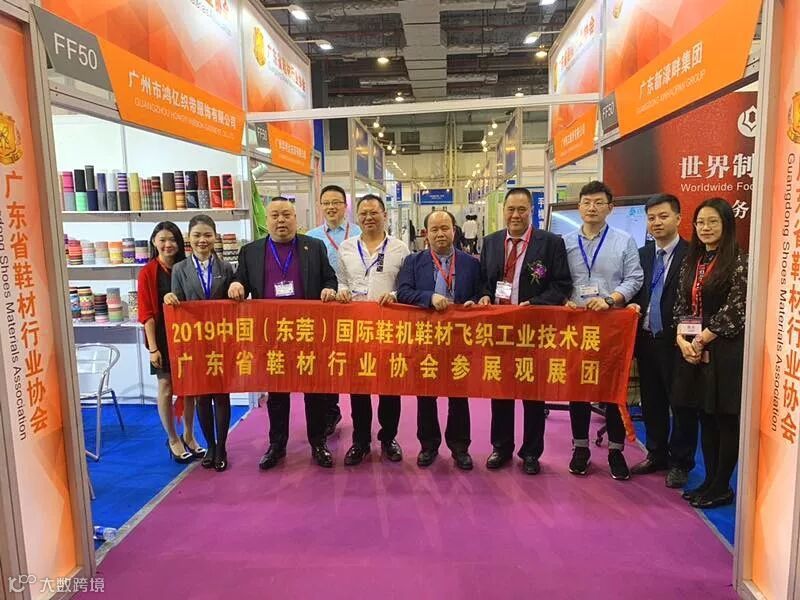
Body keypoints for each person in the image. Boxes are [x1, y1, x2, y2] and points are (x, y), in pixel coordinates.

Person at [228, 197, 338, 469]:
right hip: (271, 335)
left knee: (315, 392)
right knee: (277, 395)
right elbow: (241, 279)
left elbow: (329, 277)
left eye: (286, 215)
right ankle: (277, 445)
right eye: (275, 215)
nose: (281, 220)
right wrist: (236, 285)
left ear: (295, 219)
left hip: (307, 332)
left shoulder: (314, 247)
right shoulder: (251, 251)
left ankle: (318, 443)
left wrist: (329, 288)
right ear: (266, 220)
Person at [480, 188, 572, 474]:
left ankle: (531, 452)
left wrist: (535, 304)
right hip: (499, 330)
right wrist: (484, 296)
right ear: (504, 211)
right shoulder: (491, 242)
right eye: (511, 209)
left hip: (534, 330)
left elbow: (561, 285)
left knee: (533, 393)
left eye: (522, 209)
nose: (516, 215)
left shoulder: (551, 243)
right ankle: (501, 447)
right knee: (501, 392)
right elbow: (485, 282)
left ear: (531, 211)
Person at [563, 181, 644, 480]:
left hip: (611, 326)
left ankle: (615, 451)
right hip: (575, 326)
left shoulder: (624, 241)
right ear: (579, 207)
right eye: (586, 202)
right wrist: (563, 299)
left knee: (612, 389)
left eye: (598, 202)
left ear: (610, 207)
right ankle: (580, 448)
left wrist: (611, 299)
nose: (592, 208)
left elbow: (634, 278)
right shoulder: (565, 242)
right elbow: (559, 279)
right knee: (578, 389)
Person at [671, 198, 747, 508]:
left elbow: (736, 309)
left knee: (725, 419)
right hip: (694, 351)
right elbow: (681, 304)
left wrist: (702, 338)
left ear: (726, 224)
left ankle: (721, 485)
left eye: (713, 221)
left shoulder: (740, 261)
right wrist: (682, 339)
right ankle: (709, 481)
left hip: (725, 350)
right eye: (700, 222)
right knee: (705, 416)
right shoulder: (693, 261)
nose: (705, 228)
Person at [397, 210, 484, 470]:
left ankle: (460, 448)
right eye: (434, 229)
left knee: (459, 396)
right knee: (426, 395)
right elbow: (403, 292)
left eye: (445, 228)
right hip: (425, 338)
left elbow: (481, 292)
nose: (440, 234)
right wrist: (429, 298)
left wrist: (477, 301)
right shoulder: (413, 261)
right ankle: (428, 446)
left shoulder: (471, 263)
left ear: (454, 231)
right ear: (426, 234)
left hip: (459, 339)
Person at [627, 195, 697, 488]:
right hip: (646, 338)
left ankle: (680, 462)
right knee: (652, 399)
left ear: (678, 218)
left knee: (681, 403)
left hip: (677, 341)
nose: (656, 222)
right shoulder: (641, 255)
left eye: (663, 216)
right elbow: (633, 289)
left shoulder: (692, 255)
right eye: (651, 218)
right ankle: (656, 453)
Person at [336, 194, 410, 465]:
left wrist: (395, 294)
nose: (369, 217)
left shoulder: (400, 249)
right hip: (356, 328)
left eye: (374, 212)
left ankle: (388, 438)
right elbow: (341, 280)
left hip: (389, 327)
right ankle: (360, 441)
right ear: (357, 217)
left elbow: (406, 285)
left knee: (390, 386)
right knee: (358, 387)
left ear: (385, 215)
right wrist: (341, 290)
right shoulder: (346, 247)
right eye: (363, 213)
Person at [164, 215, 235, 472]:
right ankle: (211, 446)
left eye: (207, 235)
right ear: (189, 238)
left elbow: (234, 306)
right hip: (194, 343)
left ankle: (223, 446)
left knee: (222, 395)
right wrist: (170, 298)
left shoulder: (226, 268)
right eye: (197, 235)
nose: (202, 240)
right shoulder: (180, 269)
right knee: (202, 396)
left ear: (215, 237)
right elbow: (177, 303)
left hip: (221, 341)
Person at [138, 222, 202, 463]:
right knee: (166, 387)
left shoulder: (186, 266)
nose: (168, 244)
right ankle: (173, 438)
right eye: (162, 239)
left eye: (173, 239)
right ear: (154, 242)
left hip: (187, 336)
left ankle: (189, 435)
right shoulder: (148, 272)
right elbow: (146, 313)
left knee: (191, 388)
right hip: (162, 338)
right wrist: (153, 348)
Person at [306, 184, 361, 437]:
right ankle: (331, 411)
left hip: (356, 306)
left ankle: (361, 421)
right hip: (325, 307)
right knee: (326, 360)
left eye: (336, 202)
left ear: (345, 206)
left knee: (356, 361)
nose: (331, 207)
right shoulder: (311, 237)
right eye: (326, 203)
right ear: (320, 206)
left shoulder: (359, 233)